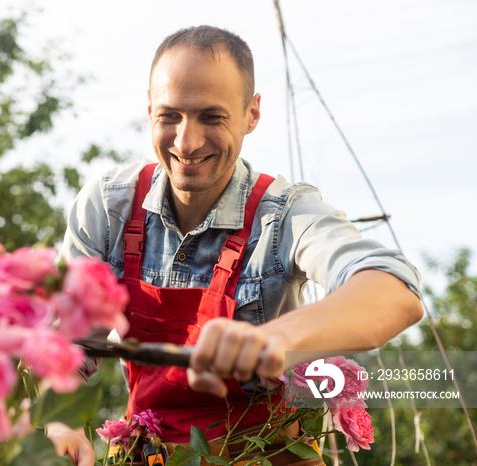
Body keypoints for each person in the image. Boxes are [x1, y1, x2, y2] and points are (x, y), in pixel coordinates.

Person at [48, 25, 424, 465]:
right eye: (170, 116)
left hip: (270, 454)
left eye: (212, 117)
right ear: (149, 110)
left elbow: (396, 290)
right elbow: (60, 348)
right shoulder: (109, 206)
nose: (186, 143)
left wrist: (273, 340)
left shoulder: (285, 214)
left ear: (251, 113)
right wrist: (59, 420)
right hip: (145, 453)